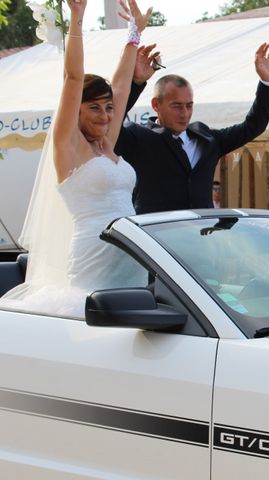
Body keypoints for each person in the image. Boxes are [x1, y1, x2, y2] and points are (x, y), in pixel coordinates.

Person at [0, 0, 152, 317]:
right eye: (94, 107)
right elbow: (73, 78)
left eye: (108, 108)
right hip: (93, 260)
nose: (105, 114)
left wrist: (134, 34)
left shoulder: (107, 144)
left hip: (131, 258)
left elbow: (121, 86)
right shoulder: (70, 147)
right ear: (77, 109)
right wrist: (77, 19)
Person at [116, 44, 269, 214]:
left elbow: (253, 126)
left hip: (201, 236)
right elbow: (112, 124)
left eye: (189, 105)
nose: (185, 113)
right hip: (155, 235)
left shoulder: (208, 139)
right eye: (177, 106)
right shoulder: (139, 137)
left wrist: (267, 83)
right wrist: (135, 82)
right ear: (156, 104)